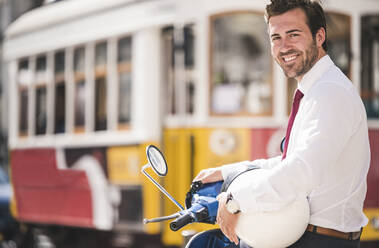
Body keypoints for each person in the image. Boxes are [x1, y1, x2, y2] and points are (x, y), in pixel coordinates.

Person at [193, 0, 371, 247]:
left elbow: (300, 171)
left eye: (293, 34)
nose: (284, 46)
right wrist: (228, 172)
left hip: (318, 240)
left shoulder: (330, 94)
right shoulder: (316, 90)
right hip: (303, 235)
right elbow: (293, 161)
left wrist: (234, 201)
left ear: (319, 36)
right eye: (276, 37)